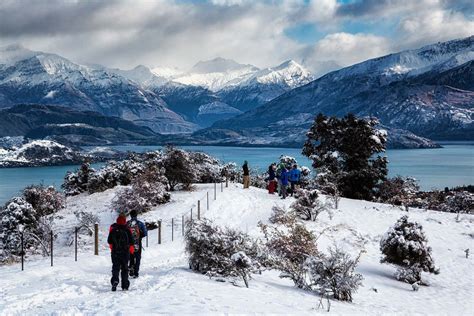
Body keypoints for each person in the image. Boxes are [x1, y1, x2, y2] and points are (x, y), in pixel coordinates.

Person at [107, 214, 135, 291]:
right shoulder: (127, 229)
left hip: (115, 252)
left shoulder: (113, 230)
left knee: (115, 267)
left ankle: (115, 281)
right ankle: (125, 285)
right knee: (125, 268)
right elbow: (132, 242)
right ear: (125, 221)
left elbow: (109, 241)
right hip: (125, 252)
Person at [127, 210, 148, 278]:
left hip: (129, 244)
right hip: (138, 243)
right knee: (138, 258)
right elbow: (145, 233)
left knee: (131, 257)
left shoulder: (127, 223)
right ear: (136, 215)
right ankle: (136, 272)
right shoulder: (140, 223)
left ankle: (131, 269)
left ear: (130, 215)